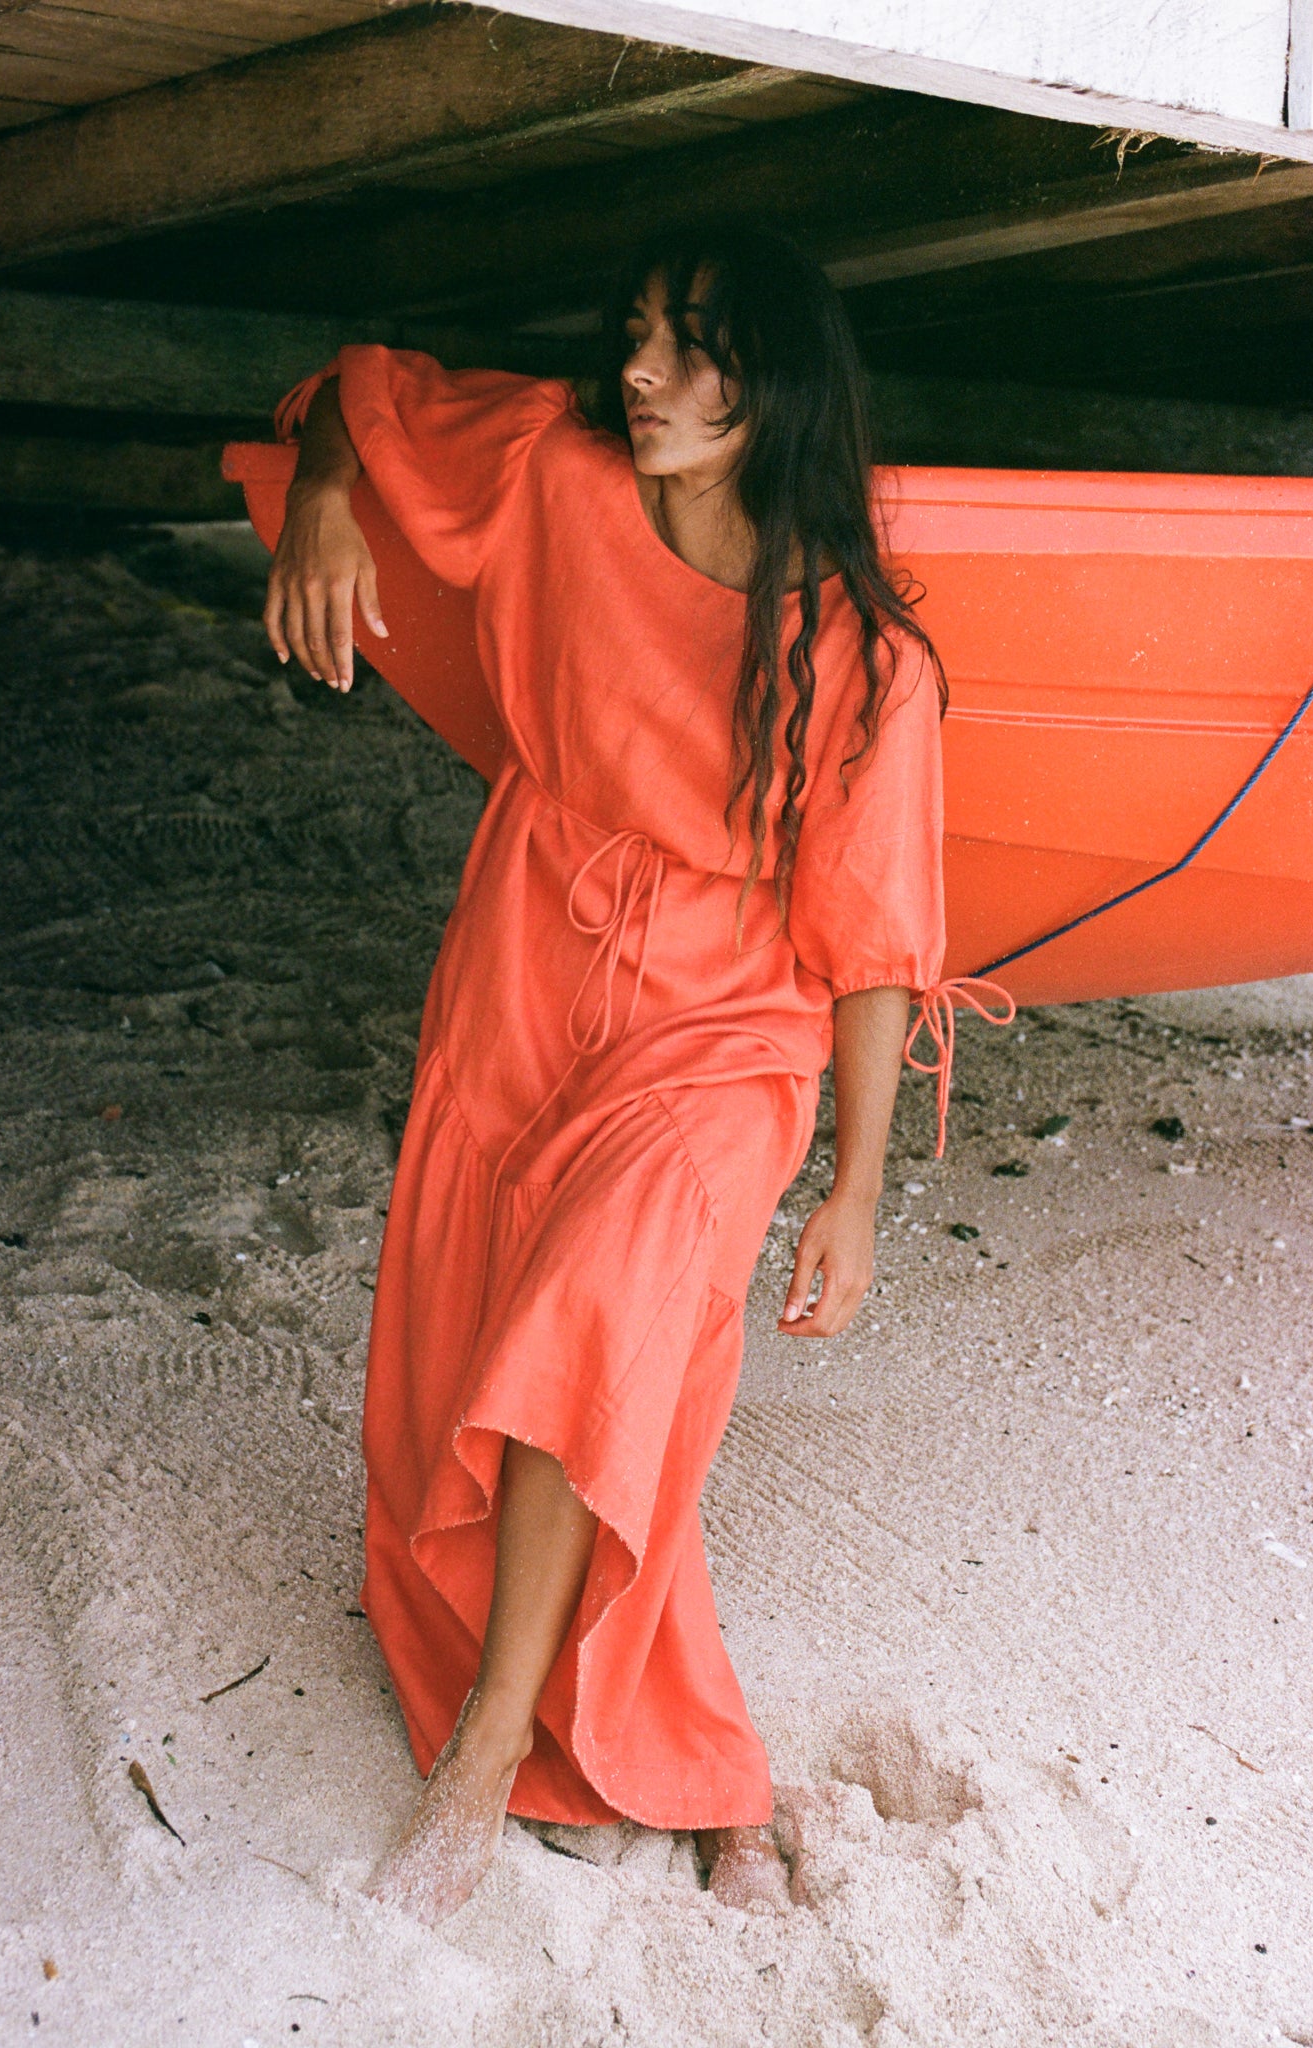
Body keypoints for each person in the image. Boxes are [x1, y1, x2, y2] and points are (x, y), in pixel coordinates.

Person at [262, 226, 950, 1925]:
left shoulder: (869, 657)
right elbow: (369, 388)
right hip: (527, 961)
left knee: (593, 1313)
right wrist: (324, 501)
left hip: (726, 1027)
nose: (643, 375)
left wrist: (853, 1193)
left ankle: (491, 1751)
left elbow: (870, 947)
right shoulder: (564, 481)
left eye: (694, 347)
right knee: (499, 1356)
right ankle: (681, 1745)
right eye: (639, 337)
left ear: (775, 380)